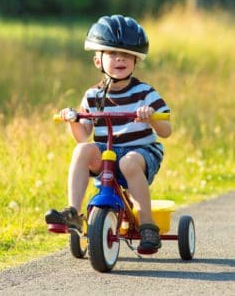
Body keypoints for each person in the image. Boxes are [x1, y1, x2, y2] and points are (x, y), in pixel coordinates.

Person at [45, 15, 172, 253]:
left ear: (136, 60)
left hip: (142, 153)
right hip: (106, 153)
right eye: (112, 54)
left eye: (126, 55)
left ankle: (147, 225)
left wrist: (152, 116)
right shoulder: (92, 96)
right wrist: (72, 119)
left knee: (129, 162)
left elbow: (167, 131)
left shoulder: (146, 93)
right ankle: (74, 213)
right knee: (82, 150)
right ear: (97, 61)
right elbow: (83, 137)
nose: (120, 58)